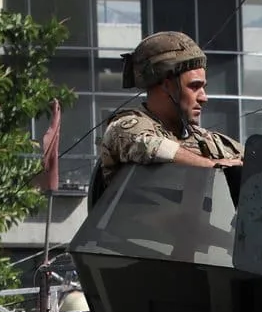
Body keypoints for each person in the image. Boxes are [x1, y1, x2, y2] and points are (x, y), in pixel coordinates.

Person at [96, 32, 243, 192]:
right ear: (167, 86)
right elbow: (149, 146)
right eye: (194, 87)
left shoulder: (207, 141)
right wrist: (213, 166)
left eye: (203, 87)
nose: (203, 97)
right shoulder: (125, 127)